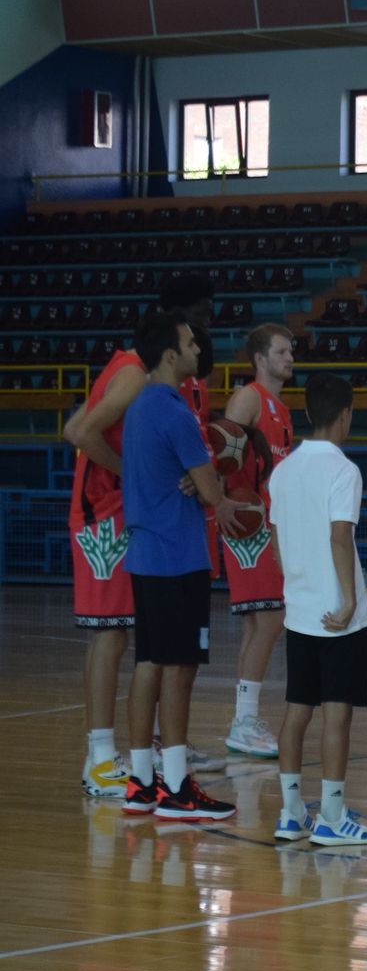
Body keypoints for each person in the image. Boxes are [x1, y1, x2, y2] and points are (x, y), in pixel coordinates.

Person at [119, 311, 247, 821]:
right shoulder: (175, 412)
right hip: (177, 556)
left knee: (149, 664)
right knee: (180, 668)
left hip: (147, 555)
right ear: (171, 354)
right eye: (192, 343)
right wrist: (229, 492)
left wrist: (199, 479)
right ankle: (176, 787)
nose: (199, 350)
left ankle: (140, 780)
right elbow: (219, 498)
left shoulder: (141, 407)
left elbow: (191, 477)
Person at [269, 373, 367, 845]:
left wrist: (298, 586)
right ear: (345, 414)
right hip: (338, 617)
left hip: (299, 612)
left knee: (297, 711)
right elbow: (341, 536)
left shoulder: (283, 471)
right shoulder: (343, 471)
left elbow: (275, 543)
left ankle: (291, 813)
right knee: (337, 715)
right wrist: (348, 598)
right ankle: (333, 818)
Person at [62, 339, 146, 798]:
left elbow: (74, 424)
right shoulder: (133, 371)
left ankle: (99, 753)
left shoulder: (120, 364)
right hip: (103, 514)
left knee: (107, 635)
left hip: (100, 510)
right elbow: (80, 434)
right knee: (110, 635)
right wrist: (127, 471)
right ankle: (98, 759)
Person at [219, 323, 296, 758]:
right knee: (269, 618)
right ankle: (244, 720)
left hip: (269, 522)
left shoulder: (280, 409)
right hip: (248, 520)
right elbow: (221, 453)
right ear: (260, 359)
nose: (290, 359)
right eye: (282, 352)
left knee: (260, 620)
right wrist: (224, 502)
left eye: (291, 352)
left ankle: (243, 719)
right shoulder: (249, 398)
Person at [162, 275, 228, 774]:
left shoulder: (198, 380)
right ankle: (162, 752)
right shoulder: (158, 383)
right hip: (170, 527)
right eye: (199, 314)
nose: (207, 322)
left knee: (187, 650)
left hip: (196, 521)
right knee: (166, 652)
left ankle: (173, 745)